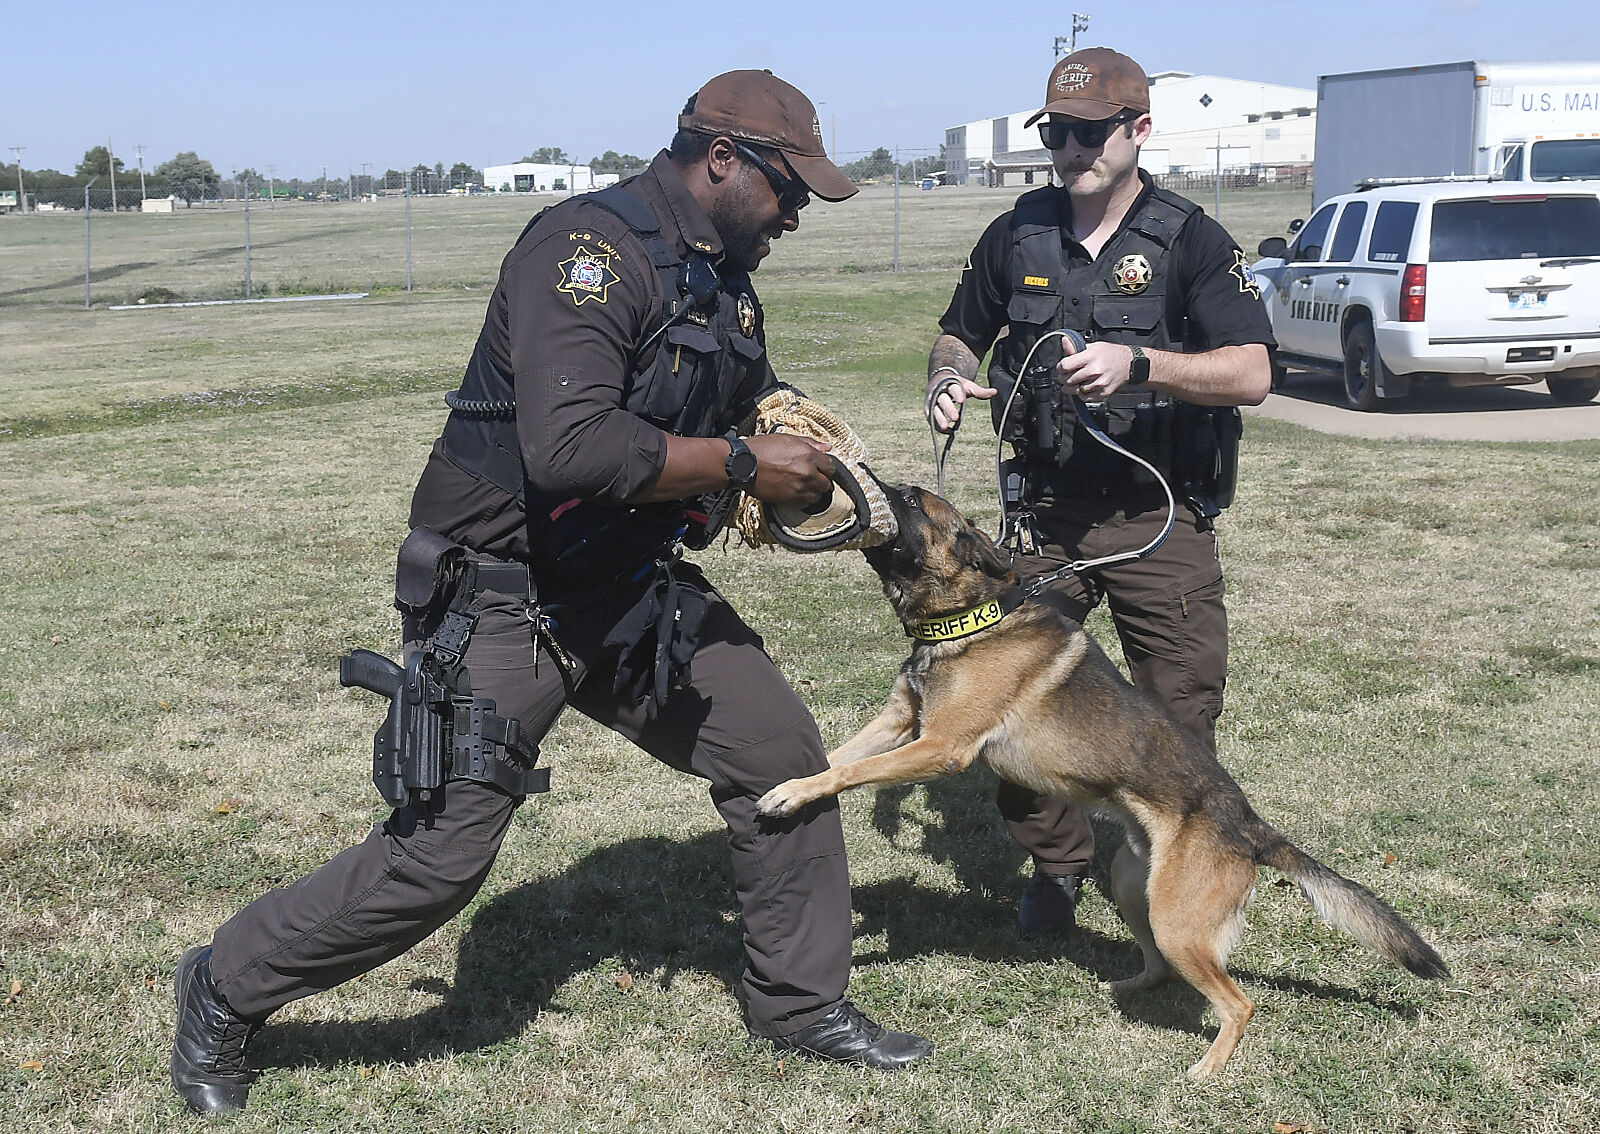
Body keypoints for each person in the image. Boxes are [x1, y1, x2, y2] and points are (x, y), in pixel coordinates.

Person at [171, 69, 934, 1117]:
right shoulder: (584, 254)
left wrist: (773, 419)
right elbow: (571, 445)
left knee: (779, 757)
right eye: (785, 185)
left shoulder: (718, 273)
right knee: (439, 859)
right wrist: (745, 463)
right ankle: (222, 987)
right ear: (721, 160)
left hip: (627, 588)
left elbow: (720, 389)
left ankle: (799, 1005)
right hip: (504, 597)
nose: (797, 209)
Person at [924, 48, 1275, 935]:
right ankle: (1056, 867)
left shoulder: (1188, 237)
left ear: (1138, 130)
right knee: (1006, 705)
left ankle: (1161, 865)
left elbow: (1252, 371)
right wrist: (945, 379)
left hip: (1157, 515)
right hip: (1044, 516)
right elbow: (959, 336)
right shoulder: (1018, 232)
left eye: (1090, 131)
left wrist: (1142, 364)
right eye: (1058, 133)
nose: (1072, 148)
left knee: (1177, 714)